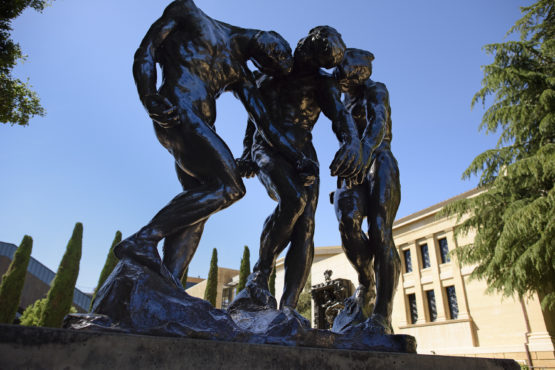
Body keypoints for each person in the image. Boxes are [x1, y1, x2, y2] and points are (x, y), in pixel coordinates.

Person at [114, 0, 325, 285]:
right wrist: (148, 95)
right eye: (281, 51)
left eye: (281, 61)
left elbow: (266, 125)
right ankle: (143, 238)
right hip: (178, 113)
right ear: (271, 34)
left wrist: (297, 158)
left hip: (199, 128)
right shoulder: (188, 12)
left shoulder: (240, 73)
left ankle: (169, 282)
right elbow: (146, 51)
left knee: (199, 205)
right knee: (230, 188)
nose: (281, 57)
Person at [232, 26, 365, 311]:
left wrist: (352, 142)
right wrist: (246, 153)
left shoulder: (322, 84)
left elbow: (341, 118)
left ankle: (288, 307)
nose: (312, 64)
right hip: (267, 148)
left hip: (305, 152)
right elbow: (254, 116)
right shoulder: (272, 67)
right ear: (305, 45)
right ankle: (261, 273)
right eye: (313, 57)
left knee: (306, 225)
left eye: (321, 63)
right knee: (293, 201)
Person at [331, 48, 401, 334]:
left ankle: (382, 314)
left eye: (361, 71)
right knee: (347, 221)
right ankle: (366, 281)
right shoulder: (335, 96)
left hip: (378, 159)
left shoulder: (376, 90)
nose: (356, 76)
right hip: (351, 169)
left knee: (381, 232)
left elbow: (377, 123)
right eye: (352, 70)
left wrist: (363, 152)